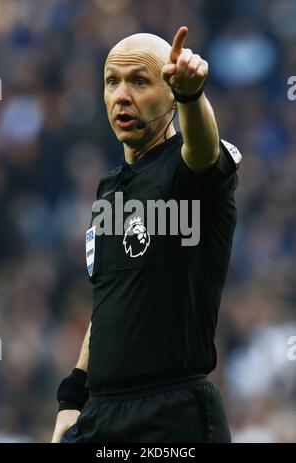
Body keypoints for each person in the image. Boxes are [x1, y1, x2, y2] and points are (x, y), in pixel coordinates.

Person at [52, 26, 241, 443]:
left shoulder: (191, 170)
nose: (122, 94)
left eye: (139, 81)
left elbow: (203, 149)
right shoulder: (110, 187)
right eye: (112, 82)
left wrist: (193, 95)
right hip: (101, 415)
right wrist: (72, 398)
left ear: (170, 93)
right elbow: (108, 300)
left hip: (171, 414)